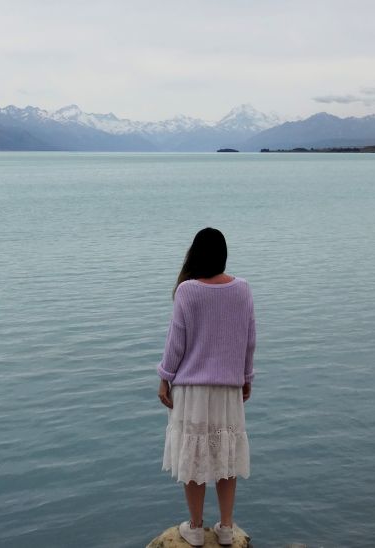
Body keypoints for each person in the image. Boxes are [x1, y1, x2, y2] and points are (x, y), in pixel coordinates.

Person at [157, 227, 256, 547]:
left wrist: (165, 377)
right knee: (226, 454)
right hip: (228, 387)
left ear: (195, 256)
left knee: (194, 455)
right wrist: (246, 377)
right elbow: (249, 339)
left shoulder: (188, 291)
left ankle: (196, 528)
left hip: (193, 389)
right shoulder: (242, 289)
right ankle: (226, 528)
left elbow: (176, 343)